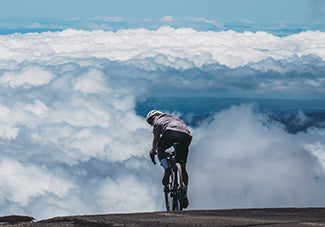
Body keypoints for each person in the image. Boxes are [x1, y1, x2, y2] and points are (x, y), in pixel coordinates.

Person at [146, 110, 192, 208]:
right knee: (183, 167)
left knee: (160, 149)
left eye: (150, 122)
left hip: (170, 132)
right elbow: (189, 136)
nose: (151, 124)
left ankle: (167, 170)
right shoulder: (176, 119)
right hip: (185, 136)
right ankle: (184, 193)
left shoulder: (158, 121)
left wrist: (153, 151)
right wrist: (179, 150)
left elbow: (156, 140)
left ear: (155, 116)